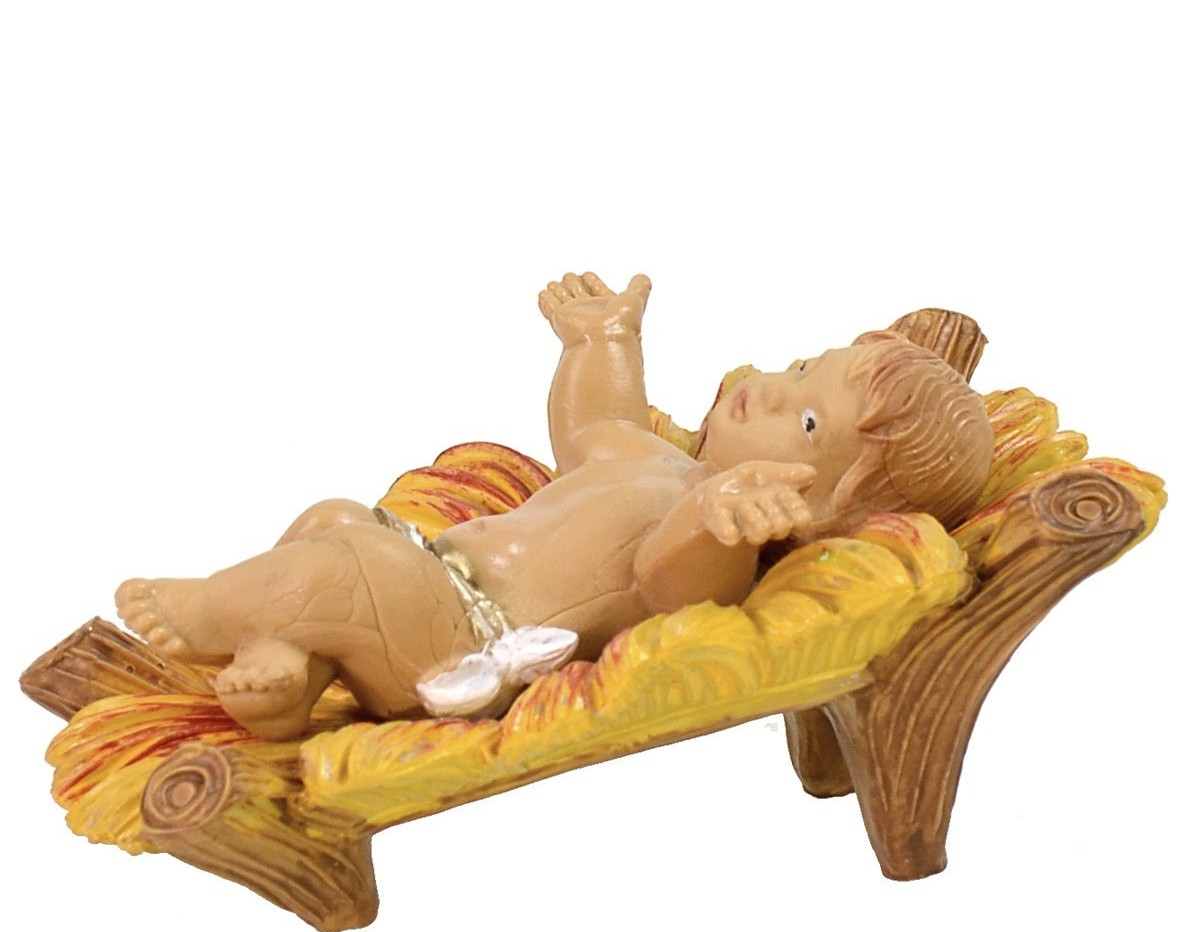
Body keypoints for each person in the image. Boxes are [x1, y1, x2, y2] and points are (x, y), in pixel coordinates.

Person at [116, 272, 993, 739]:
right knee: (334, 520)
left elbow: (669, 586)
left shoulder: (715, 539)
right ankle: (288, 675)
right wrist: (602, 342)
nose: (772, 389)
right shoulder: (657, 459)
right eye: (802, 369)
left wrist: (715, 518)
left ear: (825, 509)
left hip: (470, 647)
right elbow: (593, 425)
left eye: (805, 422)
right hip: (432, 578)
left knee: (357, 565)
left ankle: (205, 610)